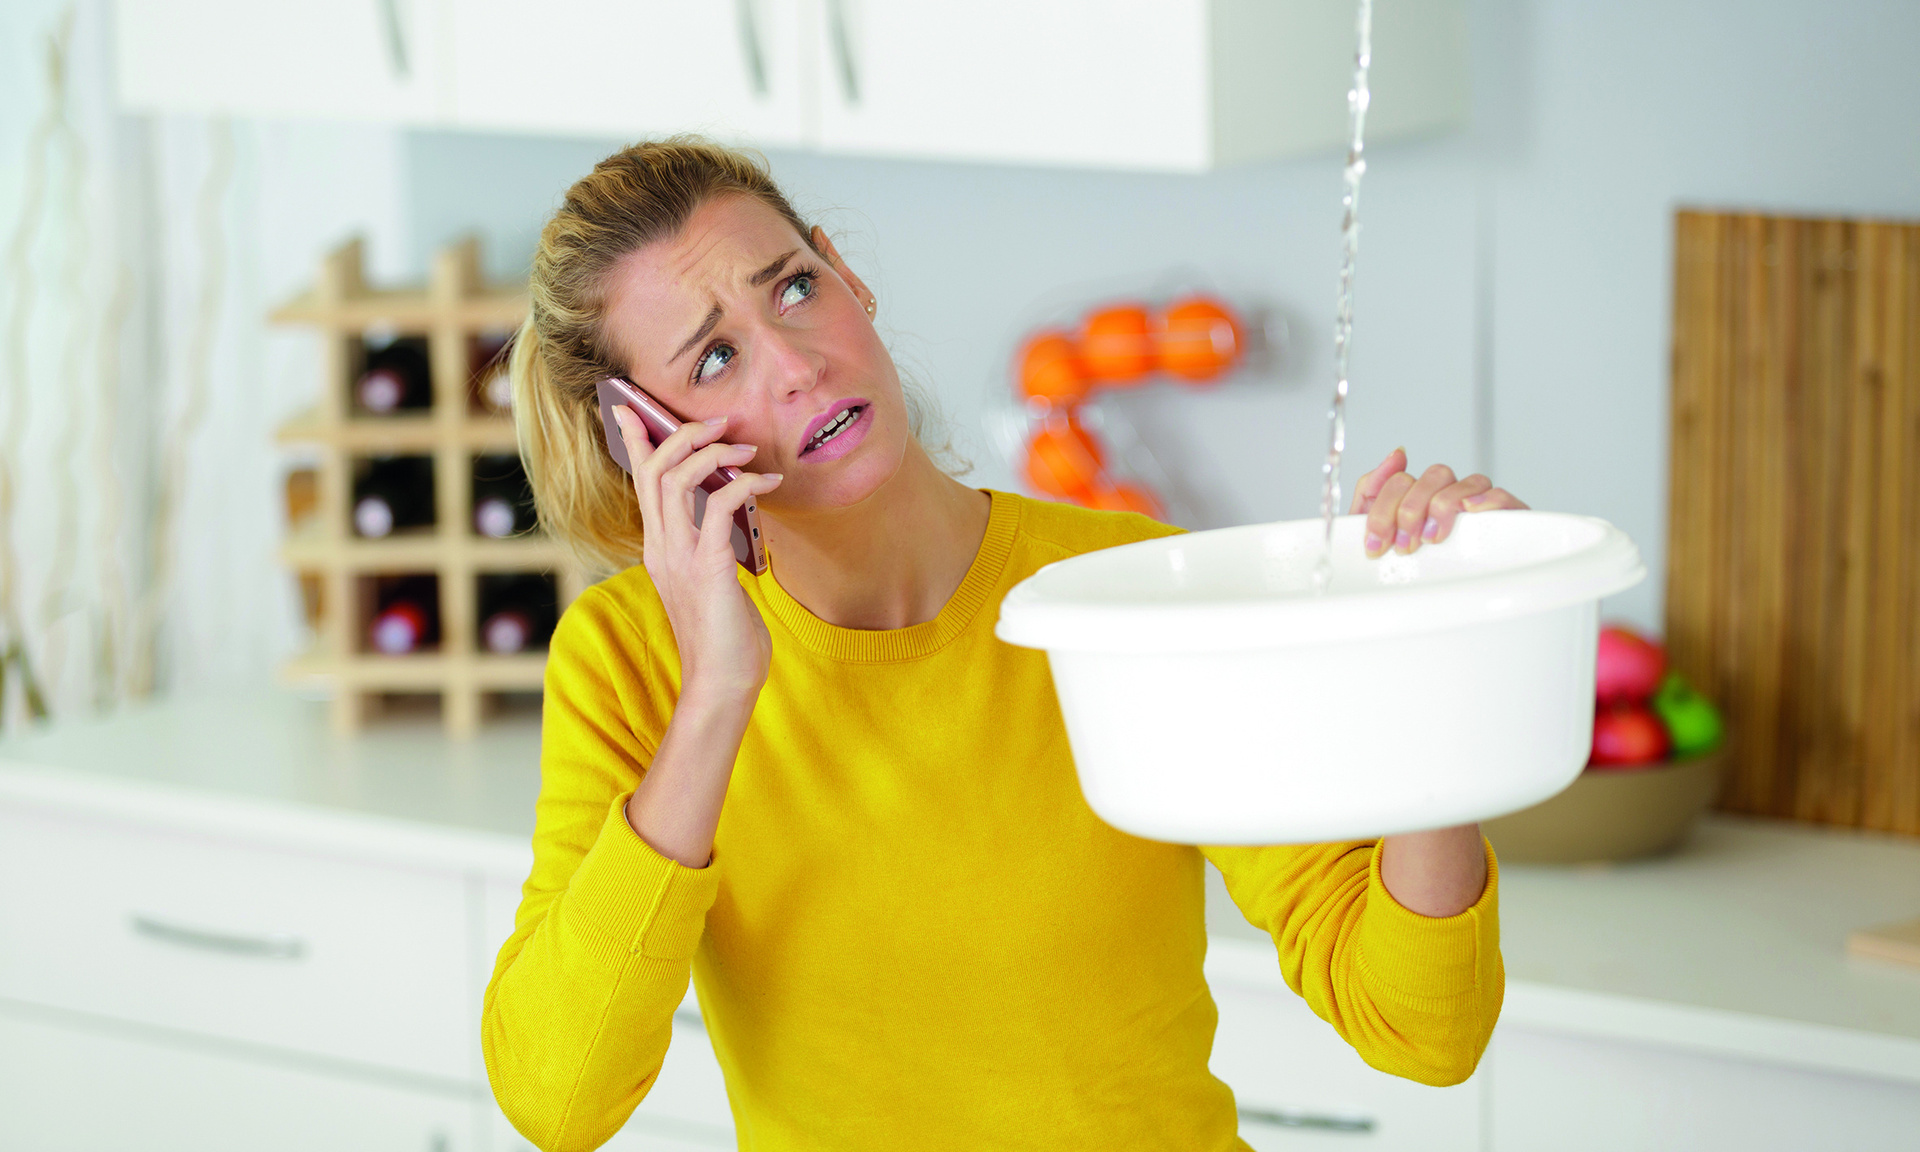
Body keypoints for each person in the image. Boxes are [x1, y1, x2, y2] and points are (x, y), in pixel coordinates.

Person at [483, 138, 1525, 1152]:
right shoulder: (630, 666)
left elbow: (1426, 1029)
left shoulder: (1128, 593)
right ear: (647, 442)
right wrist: (718, 696)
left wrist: (1434, 661)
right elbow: (556, 1101)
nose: (798, 364)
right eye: (716, 357)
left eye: (796, 288)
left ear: (847, 276)